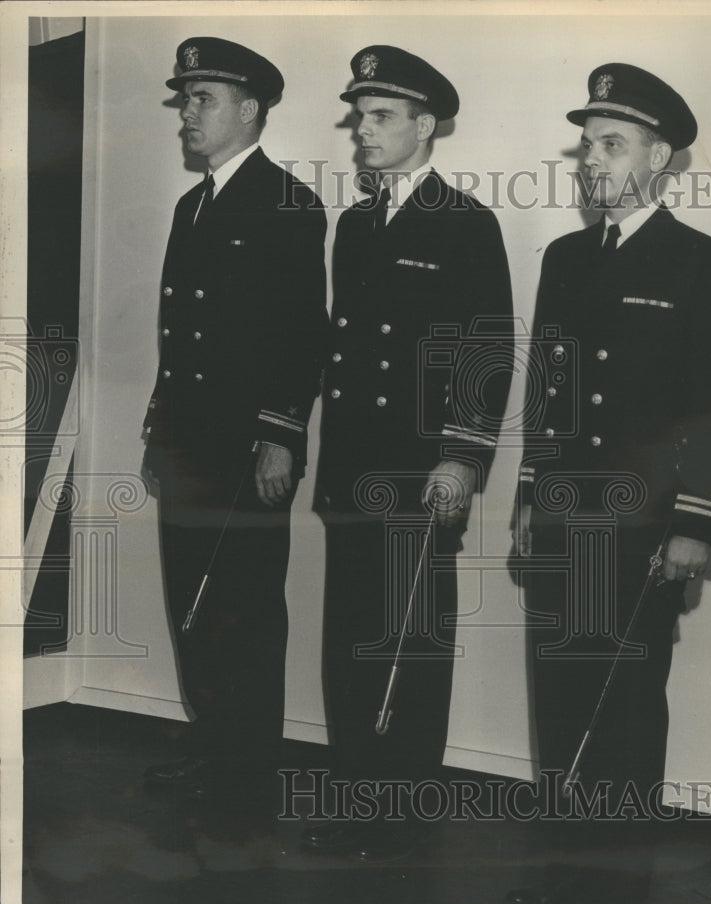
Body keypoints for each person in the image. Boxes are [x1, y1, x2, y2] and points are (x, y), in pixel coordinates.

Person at [507, 63, 711, 904]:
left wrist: (698, 523)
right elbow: (549, 393)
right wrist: (532, 493)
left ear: (661, 158)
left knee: (623, 704)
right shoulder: (567, 260)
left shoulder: (704, 265)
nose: (592, 160)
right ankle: (566, 869)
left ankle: (615, 890)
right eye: (587, 144)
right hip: (565, 520)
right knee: (561, 699)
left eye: (612, 144)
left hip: (644, 528)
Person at [304, 45, 513, 861]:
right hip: (354, 466)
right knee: (349, 638)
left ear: (425, 127)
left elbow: (486, 350)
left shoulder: (466, 223)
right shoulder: (356, 224)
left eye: (381, 117)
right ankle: (359, 794)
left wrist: (463, 457)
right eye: (360, 117)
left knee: (411, 642)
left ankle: (402, 810)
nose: (364, 131)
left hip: (422, 470)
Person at [141, 37, 328, 799]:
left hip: (248, 446)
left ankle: (249, 764)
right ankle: (212, 742)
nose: (187, 112)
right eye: (185, 98)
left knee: (245, 605)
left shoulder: (288, 203)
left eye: (202, 98)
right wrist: (159, 425)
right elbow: (178, 327)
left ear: (248, 110)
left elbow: (303, 332)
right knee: (191, 596)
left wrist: (282, 434)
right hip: (188, 441)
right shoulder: (193, 205)